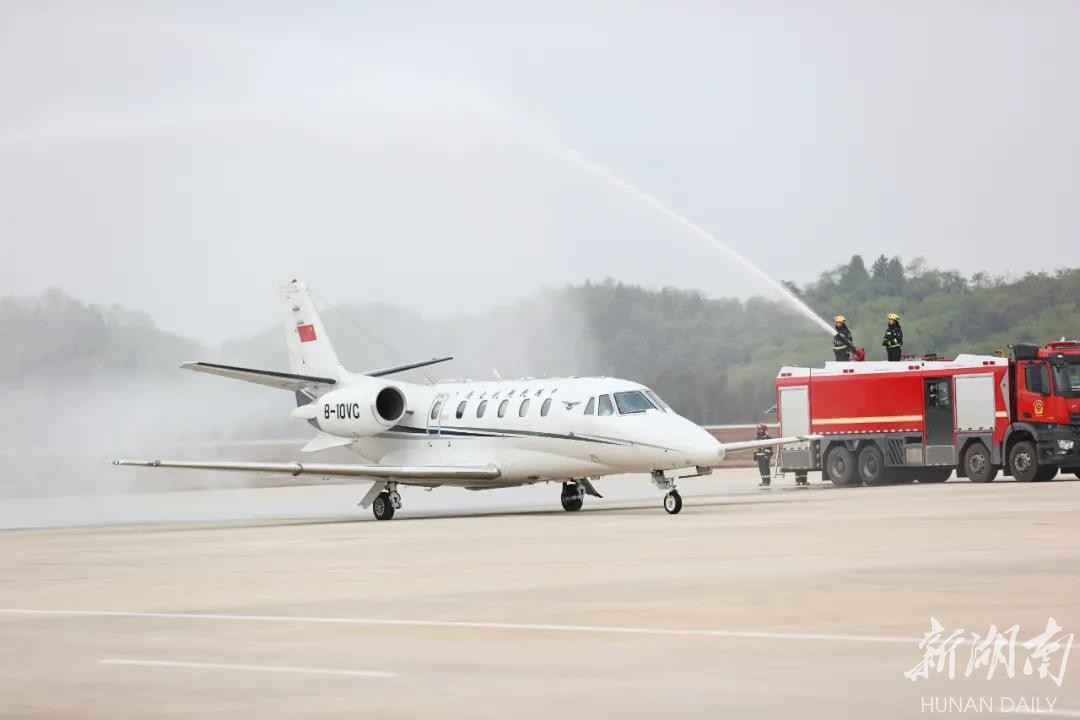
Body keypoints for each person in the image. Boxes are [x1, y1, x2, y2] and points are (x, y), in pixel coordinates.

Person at [754, 423, 773, 488]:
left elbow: (769, 447)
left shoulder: (767, 437)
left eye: (761, 429)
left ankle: (767, 482)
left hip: (765, 456)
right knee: (761, 469)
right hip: (759, 456)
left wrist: (768, 455)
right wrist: (755, 454)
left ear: (764, 429)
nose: (760, 430)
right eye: (759, 429)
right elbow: (756, 447)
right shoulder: (757, 437)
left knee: (765, 469)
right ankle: (763, 481)